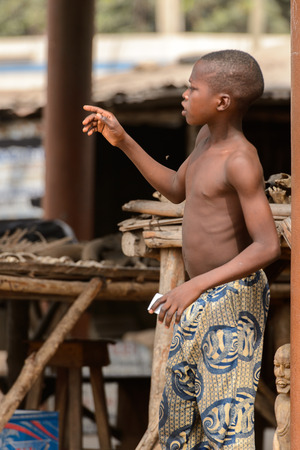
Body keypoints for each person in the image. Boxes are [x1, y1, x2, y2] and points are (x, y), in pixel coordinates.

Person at [82, 49, 280, 449]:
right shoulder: (206, 140)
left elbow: (266, 246)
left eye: (194, 88)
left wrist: (194, 286)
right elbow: (176, 190)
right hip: (199, 293)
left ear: (222, 102)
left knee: (224, 422)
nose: (185, 95)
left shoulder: (241, 159)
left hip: (232, 298)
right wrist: (123, 141)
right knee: (178, 417)